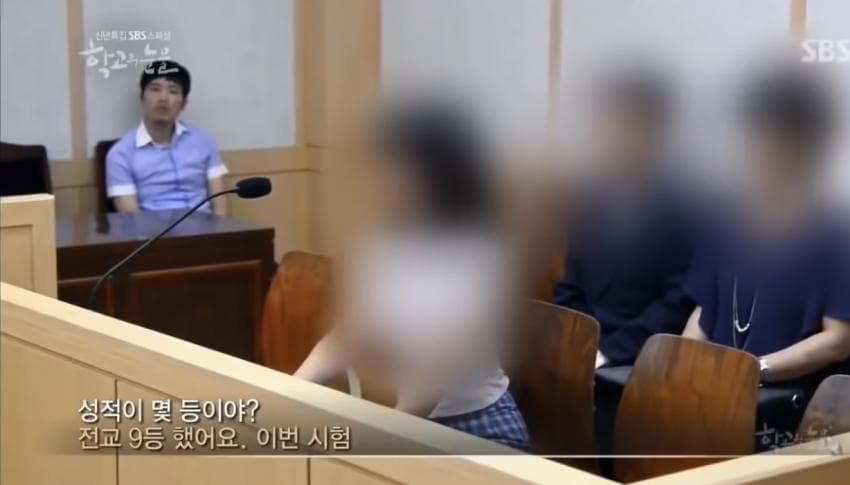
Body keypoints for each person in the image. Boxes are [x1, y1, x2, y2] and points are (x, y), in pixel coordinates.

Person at [293, 100, 530, 451]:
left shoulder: (479, 253)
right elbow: (351, 334)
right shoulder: (381, 242)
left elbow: (432, 377)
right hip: (408, 417)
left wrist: (378, 445)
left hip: (479, 427)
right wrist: (289, 392)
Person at [682, 64, 850, 449]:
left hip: (788, 404)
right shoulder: (725, 219)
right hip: (714, 396)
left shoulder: (836, 230)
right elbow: (703, 315)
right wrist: (683, 368)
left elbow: (838, 340)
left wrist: (755, 371)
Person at [552, 69, 695, 369]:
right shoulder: (592, 197)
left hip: (640, 358)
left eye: (628, 128)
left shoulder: (681, 206)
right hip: (585, 348)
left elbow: (677, 302)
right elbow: (571, 286)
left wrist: (609, 352)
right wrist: (569, 340)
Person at [106, 60, 228, 215]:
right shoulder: (120, 154)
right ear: (142, 98)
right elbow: (131, 219)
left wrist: (219, 231)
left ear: (183, 103)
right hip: (153, 229)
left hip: (205, 228)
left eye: (173, 91)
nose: (163, 98)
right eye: (155, 89)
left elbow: (219, 202)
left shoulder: (203, 141)